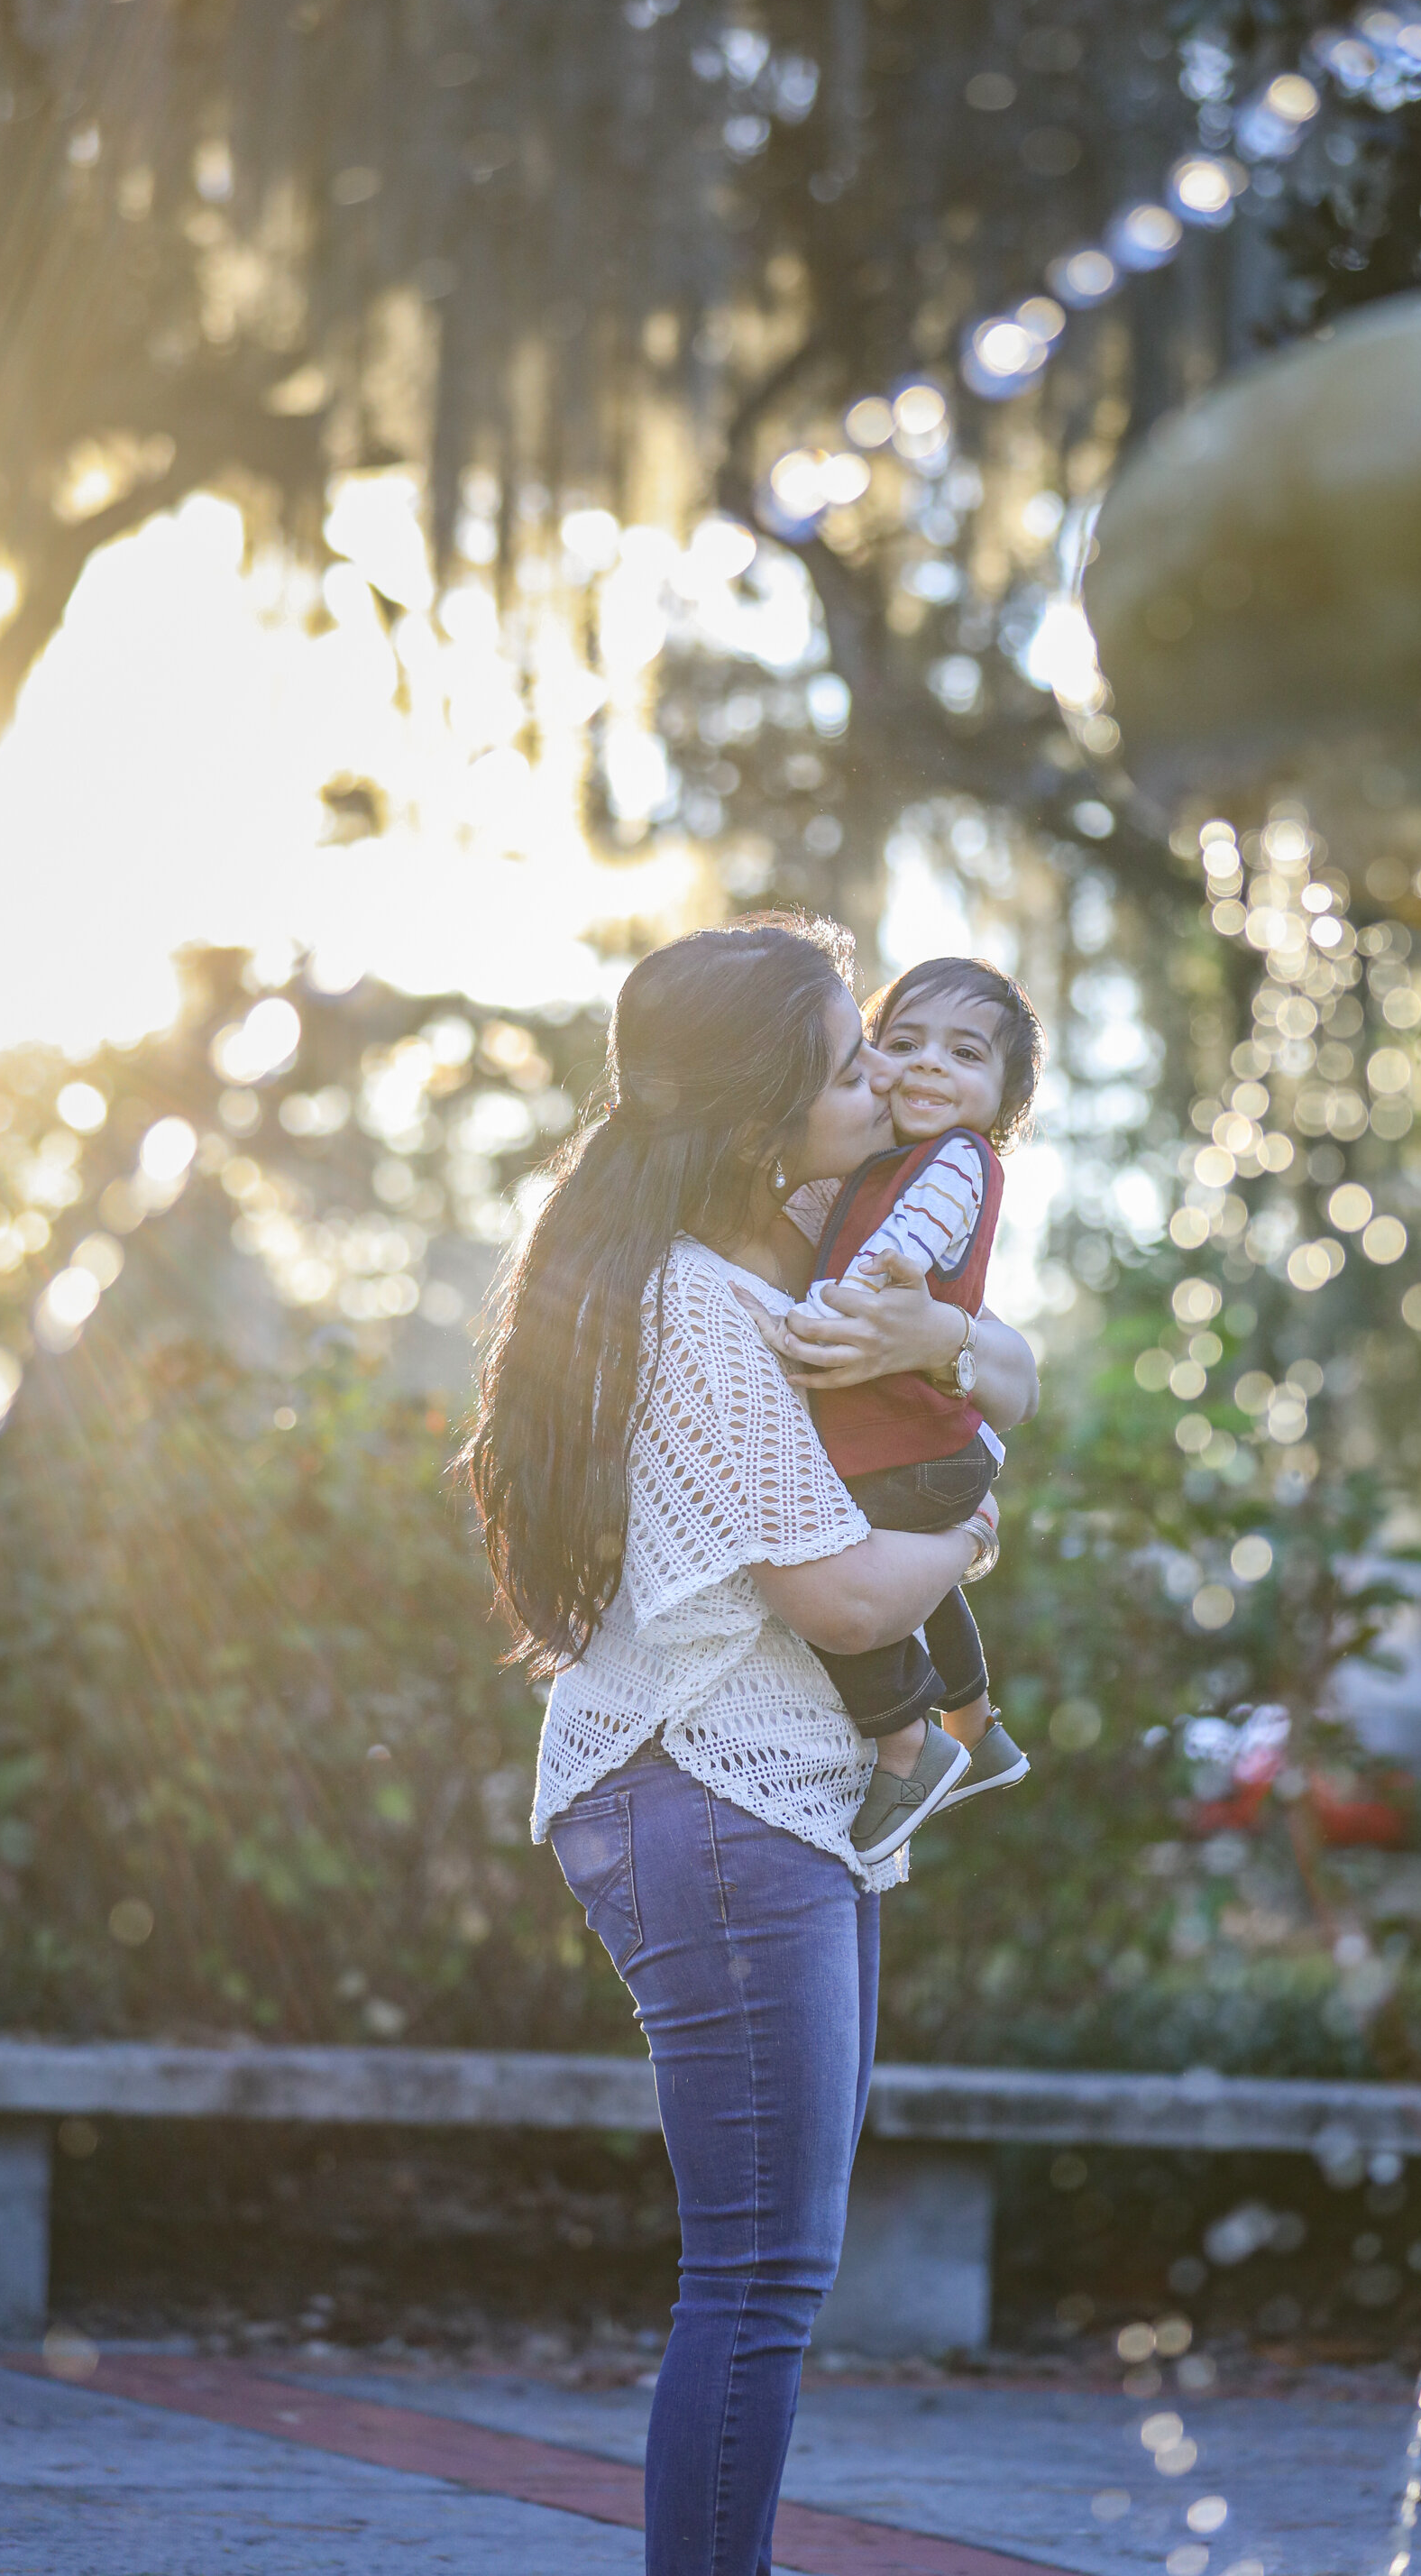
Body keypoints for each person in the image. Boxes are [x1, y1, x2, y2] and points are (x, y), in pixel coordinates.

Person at [463, 913, 1037, 2576]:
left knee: (778, 2263)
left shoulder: (753, 1269)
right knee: (762, 2272)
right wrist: (980, 1532)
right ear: (759, 1112)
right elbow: (853, 1600)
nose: (889, 1080)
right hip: (711, 1796)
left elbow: (1011, 1368)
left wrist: (975, 1363)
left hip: (772, 1796)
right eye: (852, 1064)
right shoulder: (707, 1311)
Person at [750, 957, 1045, 1866]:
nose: (924, 1066)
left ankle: (903, 1742)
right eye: (902, 1042)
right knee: (922, 1574)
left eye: (962, 1054)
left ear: (1001, 1102)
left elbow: (893, 1258)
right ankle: (976, 1721)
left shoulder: (954, 1163)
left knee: (832, 1557)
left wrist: (800, 1325)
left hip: (914, 1450)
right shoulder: (881, 1164)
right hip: (924, 1449)